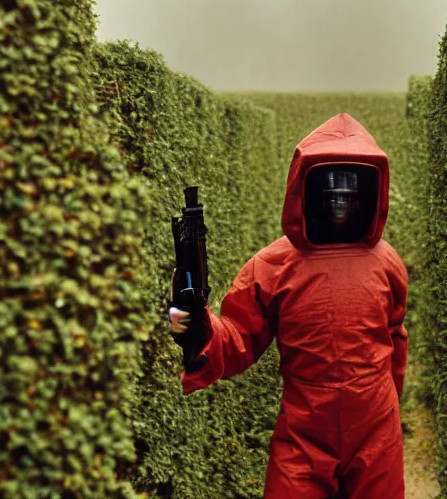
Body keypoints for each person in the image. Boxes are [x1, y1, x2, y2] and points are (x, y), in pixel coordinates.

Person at [169, 113, 408, 498]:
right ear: (306, 189)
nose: (340, 202)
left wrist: (390, 414)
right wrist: (200, 329)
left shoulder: (386, 262)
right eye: (330, 192)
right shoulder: (273, 266)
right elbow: (238, 336)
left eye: (349, 194)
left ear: (369, 194)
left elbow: (395, 339)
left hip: (376, 429)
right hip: (305, 433)